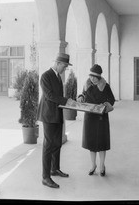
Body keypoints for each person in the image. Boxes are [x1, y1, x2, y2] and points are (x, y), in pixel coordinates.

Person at [37, 53, 73, 188]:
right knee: (48, 145)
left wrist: (67, 102)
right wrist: (67, 101)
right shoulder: (46, 76)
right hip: (48, 115)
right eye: (64, 66)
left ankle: (55, 169)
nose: (65, 69)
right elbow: (50, 95)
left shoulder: (58, 77)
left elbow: (58, 96)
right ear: (57, 63)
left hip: (57, 113)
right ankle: (45, 177)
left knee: (57, 142)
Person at [77, 64, 115, 177]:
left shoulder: (105, 86)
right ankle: (93, 165)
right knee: (91, 144)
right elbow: (82, 94)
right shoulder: (87, 84)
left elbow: (112, 100)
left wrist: (105, 106)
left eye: (94, 76)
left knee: (101, 144)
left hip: (101, 118)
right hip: (89, 117)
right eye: (90, 76)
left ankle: (102, 166)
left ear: (99, 77)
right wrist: (81, 98)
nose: (92, 78)